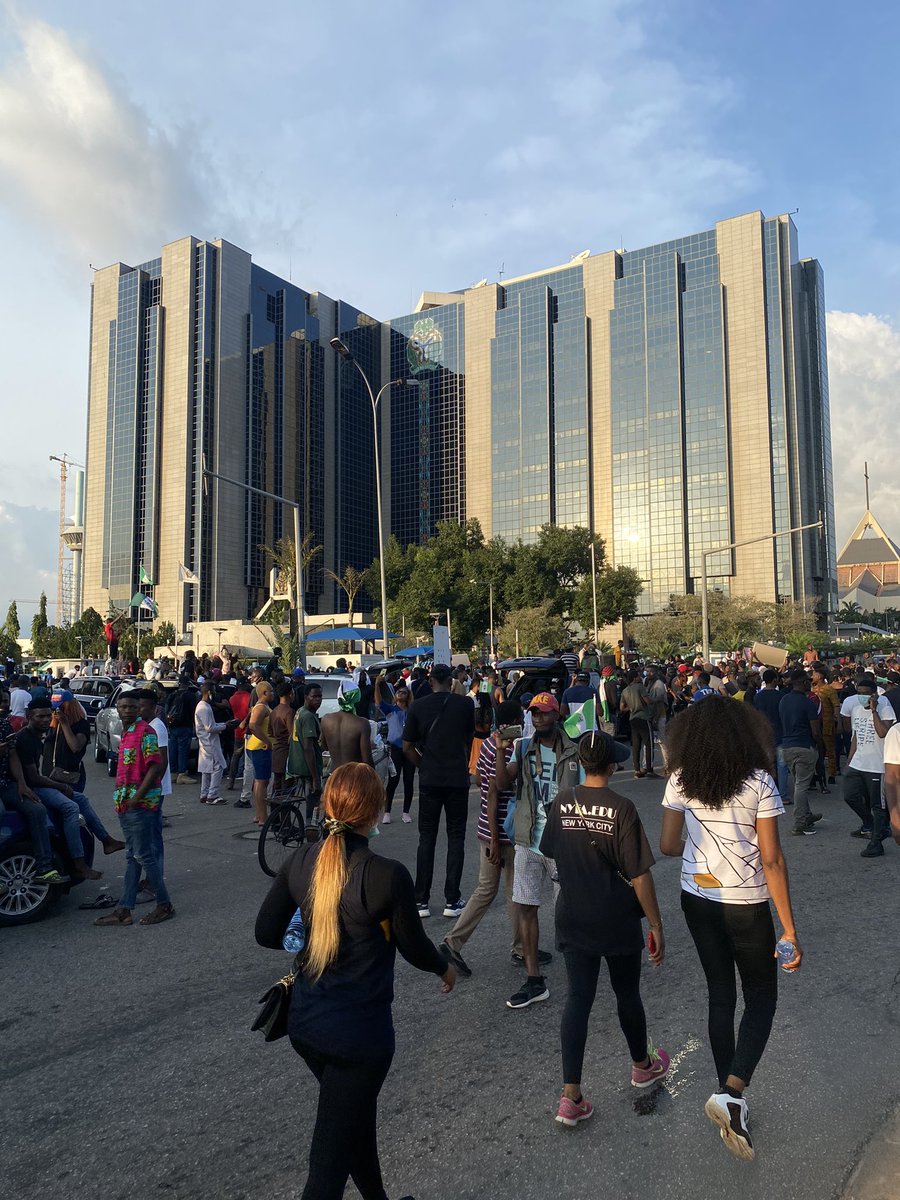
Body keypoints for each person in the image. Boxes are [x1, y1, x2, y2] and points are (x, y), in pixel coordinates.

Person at [254, 763, 454, 1200]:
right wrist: (444, 967)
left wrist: (314, 936)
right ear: (375, 810)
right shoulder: (385, 874)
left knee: (353, 1123)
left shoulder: (302, 858)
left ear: (327, 804)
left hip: (305, 1023)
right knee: (325, 1174)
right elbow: (415, 947)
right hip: (358, 1040)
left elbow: (266, 932)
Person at [660, 696, 801, 1161]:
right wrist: (789, 929)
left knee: (720, 993)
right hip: (746, 901)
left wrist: (697, 844)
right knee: (761, 996)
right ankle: (732, 1091)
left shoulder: (681, 779)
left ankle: (728, 1094)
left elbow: (666, 844)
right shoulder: (759, 781)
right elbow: (772, 858)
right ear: (746, 734)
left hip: (696, 897)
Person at [541, 731, 669, 1127]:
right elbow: (641, 876)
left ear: (580, 763)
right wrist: (656, 924)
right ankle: (640, 1065)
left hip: (573, 913)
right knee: (626, 992)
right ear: (613, 766)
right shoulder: (623, 808)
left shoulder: (561, 803)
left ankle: (570, 1096)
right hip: (616, 916)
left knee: (578, 998)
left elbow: (549, 853)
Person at [495, 692, 581, 1009]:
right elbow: (502, 784)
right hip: (528, 839)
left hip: (562, 844)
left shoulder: (575, 750)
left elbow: (586, 793)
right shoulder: (522, 747)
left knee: (569, 913)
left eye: (544, 713)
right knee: (526, 908)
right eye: (534, 713)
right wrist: (503, 752)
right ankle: (534, 980)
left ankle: (579, 976)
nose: (538, 718)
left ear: (556, 715)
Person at [439, 700, 528, 977]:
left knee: (488, 890)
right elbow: (491, 792)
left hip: (488, 830)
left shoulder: (489, 743)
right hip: (504, 832)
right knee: (514, 891)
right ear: (514, 721)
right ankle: (519, 948)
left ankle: (455, 943)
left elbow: (479, 779)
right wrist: (494, 839)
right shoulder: (509, 749)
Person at [402, 663, 475, 920]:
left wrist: (424, 765)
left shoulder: (417, 707)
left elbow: (407, 746)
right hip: (456, 777)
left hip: (430, 778)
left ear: (430, 680)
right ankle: (451, 899)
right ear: (451, 680)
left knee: (427, 838)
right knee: (456, 837)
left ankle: (421, 899)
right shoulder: (465, 705)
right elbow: (469, 738)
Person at [17, 701, 122, 878]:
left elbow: (73, 747)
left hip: (42, 781)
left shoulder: (40, 734)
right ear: (29, 717)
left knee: (80, 799)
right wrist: (60, 786)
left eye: (47, 715)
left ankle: (106, 840)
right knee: (71, 807)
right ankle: (79, 863)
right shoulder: (26, 738)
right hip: (32, 786)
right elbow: (33, 777)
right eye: (40, 716)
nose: (45, 720)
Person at [95, 690, 173, 926]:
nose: (127, 710)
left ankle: (164, 905)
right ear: (117, 709)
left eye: (132, 707)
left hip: (141, 803)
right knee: (133, 856)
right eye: (123, 707)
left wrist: (137, 796)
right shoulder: (127, 732)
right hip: (126, 802)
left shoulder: (145, 732)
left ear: (139, 709)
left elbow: (155, 767)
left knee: (144, 856)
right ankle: (125, 909)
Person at [0, 711, 67, 884]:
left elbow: (13, 755)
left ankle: (44, 868)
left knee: (37, 809)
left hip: (6, 784)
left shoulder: (4, 725)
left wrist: (21, 783)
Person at [840, 673, 895, 857]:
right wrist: (849, 761)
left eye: (866, 693)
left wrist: (874, 711)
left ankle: (876, 842)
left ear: (874, 694)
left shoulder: (885, 708)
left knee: (877, 805)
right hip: (858, 763)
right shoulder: (856, 709)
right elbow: (855, 737)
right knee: (850, 795)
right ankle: (870, 824)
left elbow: (882, 733)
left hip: (876, 765)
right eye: (859, 693)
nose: (862, 696)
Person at [135, 688, 172, 903]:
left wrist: (149, 789)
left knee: (153, 839)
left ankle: (154, 885)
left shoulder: (157, 727)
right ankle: (150, 879)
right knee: (147, 838)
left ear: (153, 707)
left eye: (142, 706)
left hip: (154, 790)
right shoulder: (143, 726)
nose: (139, 710)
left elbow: (162, 761)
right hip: (146, 788)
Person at [779, 669, 823, 836]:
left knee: (799, 782)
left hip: (787, 746)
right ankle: (799, 823)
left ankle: (807, 815)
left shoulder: (784, 700)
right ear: (801, 682)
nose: (809, 683)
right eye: (807, 681)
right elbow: (816, 731)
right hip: (804, 746)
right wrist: (818, 746)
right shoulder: (807, 703)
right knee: (801, 786)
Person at [374, 672, 415, 823]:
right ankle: (387, 812)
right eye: (399, 691)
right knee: (393, 780)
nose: (401, 693)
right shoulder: (391, 709)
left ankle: (406, 812)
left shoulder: (412, 711)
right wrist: (377, 685)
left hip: (409, 748)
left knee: (409, 781)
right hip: (395, 748)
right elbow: (378, 702)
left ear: (408, 696)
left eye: (404, 692)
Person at [287, 682, 324, 822]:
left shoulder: (300, 711)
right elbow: (308, 748)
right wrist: (315, 777)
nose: (318, 700)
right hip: (307, 767)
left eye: (320, 696)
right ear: (306, 697)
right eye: (314, 696)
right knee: (313, 800)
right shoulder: (308, 716)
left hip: (296, 763)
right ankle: (310, 830)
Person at [753, 669, 791, 801]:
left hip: (763, 735)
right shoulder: (781, 696)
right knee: (782, 766)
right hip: (780, 734)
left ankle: (767, 794)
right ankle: (783, 795)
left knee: (767, 766)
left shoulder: (758, 696)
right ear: (775, 680)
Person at [44, 690, 90, 793]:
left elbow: (75, 747)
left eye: (61, 707)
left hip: (69, 777)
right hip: (50, 777)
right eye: (55, 708)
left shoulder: (81, 724)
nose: (57, 711)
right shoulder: (52, 725)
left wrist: (65, 724)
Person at [194, 682, 233, 805]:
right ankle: (212, 795)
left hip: (206, 741)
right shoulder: (204, 707)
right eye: (214, 692)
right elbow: (209, 728)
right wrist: (225, 726)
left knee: (207, 769)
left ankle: (204, 793)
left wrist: (224, 724)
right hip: (210, 741)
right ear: (209, 692)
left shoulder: (203, 706)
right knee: (219, 766)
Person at [246, 681, 275, 826]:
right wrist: (267, 742)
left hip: (257, 747)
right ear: (264, 693)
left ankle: (259, 815)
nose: (273, 694)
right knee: (261, 782)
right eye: (271, 691)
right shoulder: (261, 707)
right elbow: (253, 725)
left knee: (260, 781)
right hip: (260, 747)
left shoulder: (262, 706)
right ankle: (263, 817)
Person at [620, 671, 657, 778]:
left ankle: (636, 769)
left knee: (636, 745)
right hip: (643, 717)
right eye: (638, 676)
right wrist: (655, 700)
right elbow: (647, 701)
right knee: (649, 743)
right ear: (635, 678)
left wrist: (631, 708)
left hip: (632, 718)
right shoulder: (640, 687)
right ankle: (649, 770)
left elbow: (622, 708)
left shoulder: (625, 691)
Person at [167, 674, 199, 784]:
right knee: (183, 750)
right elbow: (193, 712)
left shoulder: (172, 695)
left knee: (173, 749)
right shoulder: (190, 696)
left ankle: (173, 773)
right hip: (185, 725)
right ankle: (182, 773)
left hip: (172, 726)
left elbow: (167, 710)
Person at [811, 663, 839, 783]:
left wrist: (838, 721)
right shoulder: (813, 689)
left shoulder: (829, 689)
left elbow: (836, 706)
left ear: (820, 677)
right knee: (817, 750)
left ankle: (832, 774)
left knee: (830, 748)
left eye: (814, 674)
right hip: (816, 723)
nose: (812, 676)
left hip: (827, 723)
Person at [226, 678, 253, 801]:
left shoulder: (232, 698)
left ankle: (231, 781)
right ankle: (251, 783)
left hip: (237, 730)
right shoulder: (250, 697)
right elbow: (252, 712)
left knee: (235, 756)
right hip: (248, 730)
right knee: (249, 759)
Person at [270, 682, 296, 797]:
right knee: (287, 789)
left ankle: (275, 814)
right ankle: (285, 814)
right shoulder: (289, 711)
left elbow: (269, 732)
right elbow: (292, 735)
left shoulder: (274, 711)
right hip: (287, 752)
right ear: (290, 694)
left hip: (276, 751)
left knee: (277, 785)